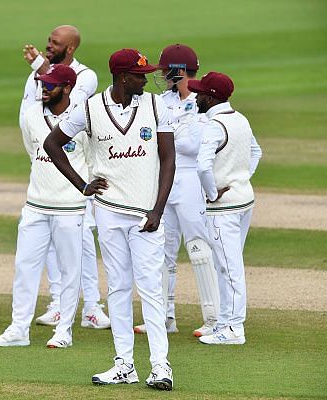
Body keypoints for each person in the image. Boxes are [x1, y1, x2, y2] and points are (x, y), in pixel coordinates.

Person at [43, 49, 176, 390]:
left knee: (150, 289)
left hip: (146, 214)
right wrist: (81, 185)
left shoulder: (156, 105)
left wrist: (158, 210)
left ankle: (161, 366)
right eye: (140, 75)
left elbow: (168, 158)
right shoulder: (89, 108)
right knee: (117, 288)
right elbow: (53, 143)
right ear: (121, 78)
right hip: (108, 211)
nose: (145, 80)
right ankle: (124, 364)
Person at [0, 64, 100, 348]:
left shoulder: (82, 118)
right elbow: (33, 151)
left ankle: (64, 331)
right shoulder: (31, 114)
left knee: (70, 270)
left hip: (71, 206)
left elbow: (91, 160)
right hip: (35, 204)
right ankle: (18, 329)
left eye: (50, 84)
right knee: (24, 266)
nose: (43, 89)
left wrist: (83, 192)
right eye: (42, 83)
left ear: (67, 88)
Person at [21, 25, 110, 329]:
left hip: (76, 181)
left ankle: (92, 307)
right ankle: (58, 302)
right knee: (47, 246)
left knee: (82, 244)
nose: (48, 46)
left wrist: (38, 66)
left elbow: (73, 111)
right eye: (48, 40)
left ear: (70, 48)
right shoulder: (37, 77)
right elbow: (28, 121)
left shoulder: (85, 76)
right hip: (47, 173)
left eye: (55, 43)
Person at [134, 44, 220, 338]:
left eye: (165, 70)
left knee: (198, 248)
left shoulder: (204, 101)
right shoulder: (161, 100)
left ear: (179, 72)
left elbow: (195, 145)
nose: (161, 76)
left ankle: (214, 319)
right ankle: (164, 317)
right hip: (164, 180)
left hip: (191, 179)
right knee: (162, 250)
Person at [188, 72, 262, 345]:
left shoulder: (214, 125)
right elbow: (257, 152)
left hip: (224, 208)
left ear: (209, 97)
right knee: (227, 265)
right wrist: (241, 178)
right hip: (243, 201)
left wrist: (211, 193)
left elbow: (202, 166)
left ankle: (233, 329)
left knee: (229, 267)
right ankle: (224, 322)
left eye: (199, 93)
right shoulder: (240, 118)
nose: (195, 97)